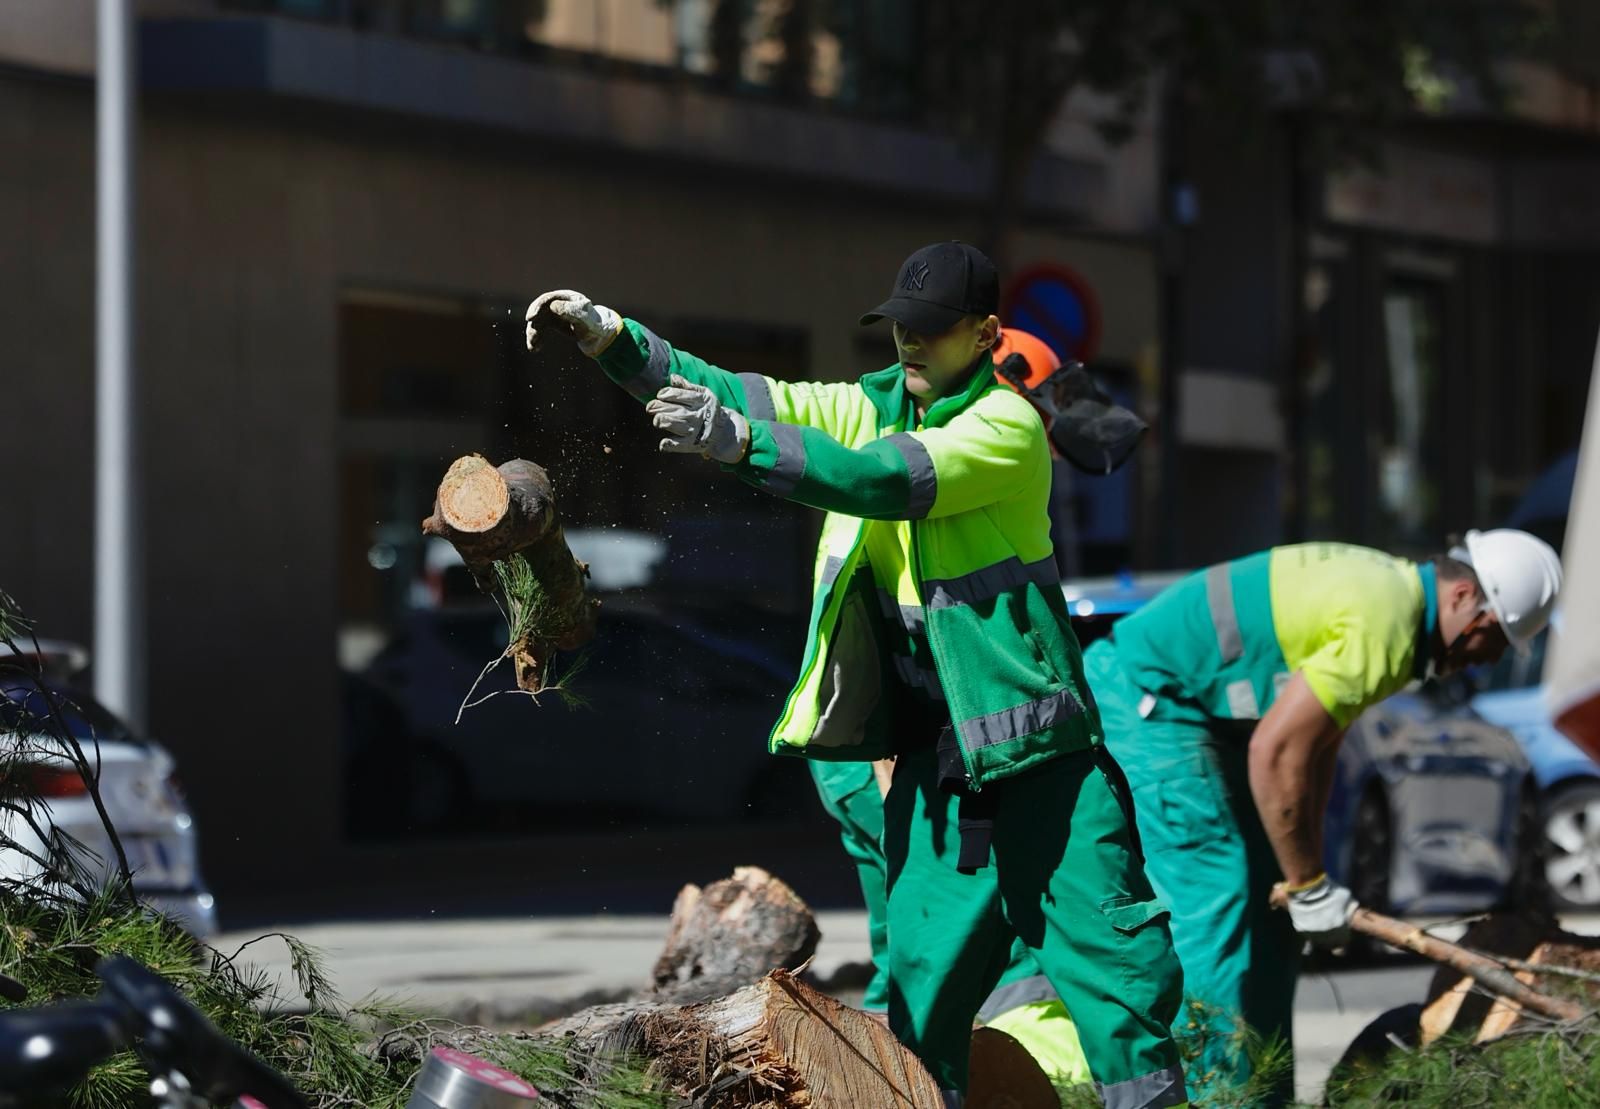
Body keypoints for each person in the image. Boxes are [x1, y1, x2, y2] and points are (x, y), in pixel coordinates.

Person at [525, 241, 1187, 1109]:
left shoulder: (1007, 427)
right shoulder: (865, 405)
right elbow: (734, 393)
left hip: (1048, 783)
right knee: (915, 1019)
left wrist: (741, 447)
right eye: (899, 326)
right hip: (941, 787)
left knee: (1119, 1001)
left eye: (931, 329)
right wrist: (614, 338)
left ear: (987, 333)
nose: (908, 342)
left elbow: (885, 480)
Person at [1081, 532, 1562, 1102]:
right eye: (1493, 636)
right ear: (1462, 596)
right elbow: (1277, 753)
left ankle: (1264, 1093)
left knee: (1273, 910)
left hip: (1200, 714)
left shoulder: (1393, 609)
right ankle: (1216, 1096)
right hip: (1149, 700)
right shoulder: (1385, 619)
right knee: (1223, 898)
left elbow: (1317, 748)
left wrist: (1305, 879)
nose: (1488, 658)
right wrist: (1309, 886)